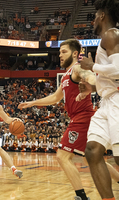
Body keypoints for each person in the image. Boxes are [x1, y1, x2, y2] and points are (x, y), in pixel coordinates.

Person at [18, 39, 119, 200]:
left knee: (62, 156)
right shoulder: (66, 75)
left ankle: (81, 196)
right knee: (94, 159)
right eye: (59, 53)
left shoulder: (78, 69)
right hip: (81, 118)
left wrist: (92, 84)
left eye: (63, 52)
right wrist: (33, 102)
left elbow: (91, 77)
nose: (60, 55)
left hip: (83, 118)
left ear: (74, 54)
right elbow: (56, 98)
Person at [79, 1, 119, 199]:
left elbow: (118, 71)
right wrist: (93, 87)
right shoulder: (106, 38)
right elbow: (110, 78)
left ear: (102, 15)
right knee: (93, 150)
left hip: (118, 102)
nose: (93, 20)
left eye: (95, 16)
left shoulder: (111, 35)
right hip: (106, 101)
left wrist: (91, 66)